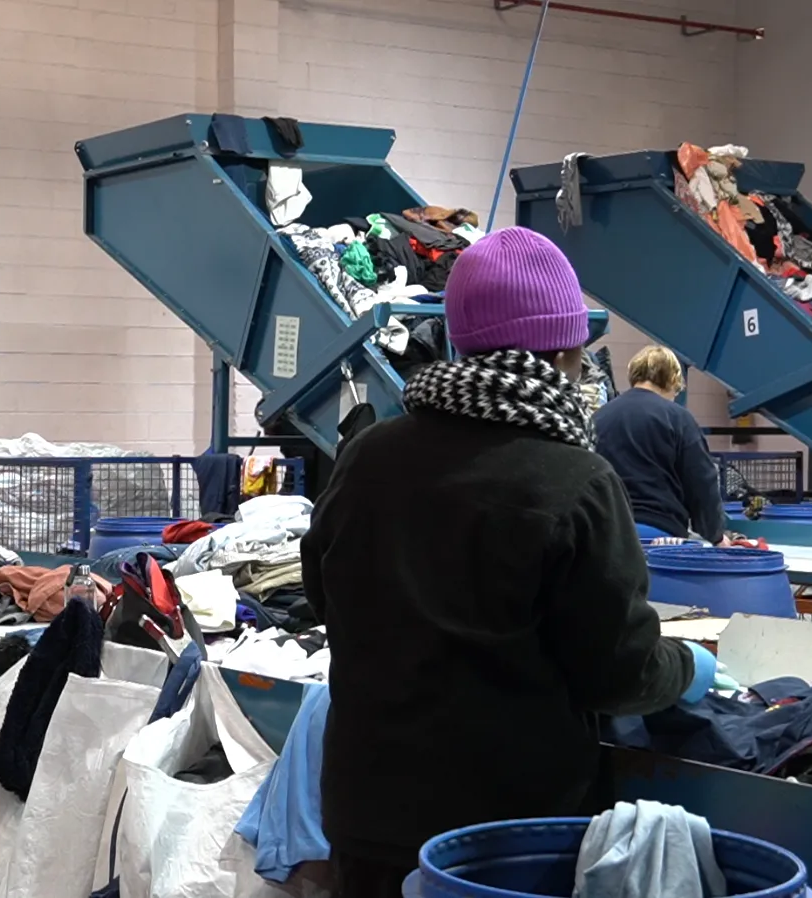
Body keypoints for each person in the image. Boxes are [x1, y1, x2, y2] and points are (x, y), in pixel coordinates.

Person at [302, 228, 717, 897]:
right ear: (564, 348)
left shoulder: (369, 456)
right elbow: (615, 671)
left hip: (368, 809)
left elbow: (323, 594)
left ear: (458, 340)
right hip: (502, 836)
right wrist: (685, 668)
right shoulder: (574, 479)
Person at [594, 345, 727, 544]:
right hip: (659, 534)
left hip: (607, 534)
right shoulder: (678, 418)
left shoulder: (599, 417)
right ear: (672, 380)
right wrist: (715, 536)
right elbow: (701, 481)